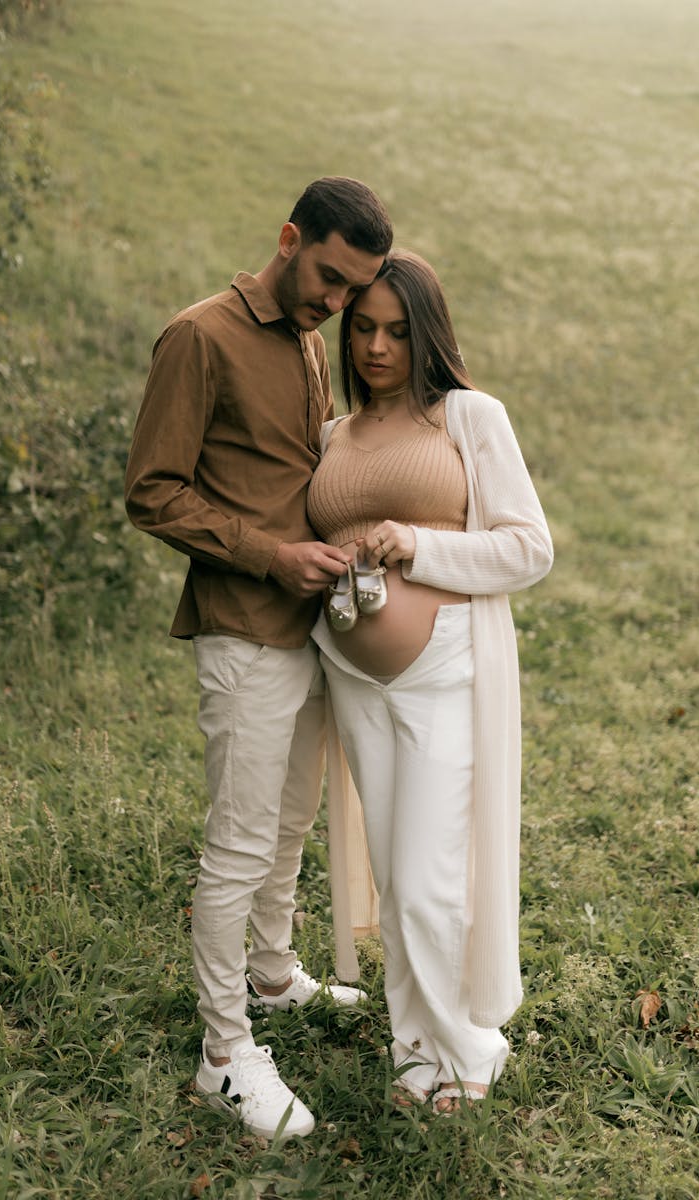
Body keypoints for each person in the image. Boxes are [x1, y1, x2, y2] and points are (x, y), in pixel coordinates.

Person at [124, 178, 394, 1140]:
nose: (336, 303)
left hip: (315, 626)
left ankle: (273, 978)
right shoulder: (200, 336)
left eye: (351, 290)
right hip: (243, 627)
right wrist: (269, 554)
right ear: (289, 238)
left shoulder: (312, 341)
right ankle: (225, 1053)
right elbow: (151, 491)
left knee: (290, 821)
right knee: (239, 844)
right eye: (328, 278)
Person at [307, 250, 553, 1114]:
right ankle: (418, 1048)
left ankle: (469, 1050)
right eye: (363, 328)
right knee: (392, 867)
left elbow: (530, 547)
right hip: (353, 673)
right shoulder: (332, 434)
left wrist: (420, 546)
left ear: (428, 334)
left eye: (399, 332)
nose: (378, 347)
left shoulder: (468, 417)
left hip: (446, 669)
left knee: (422, 878)